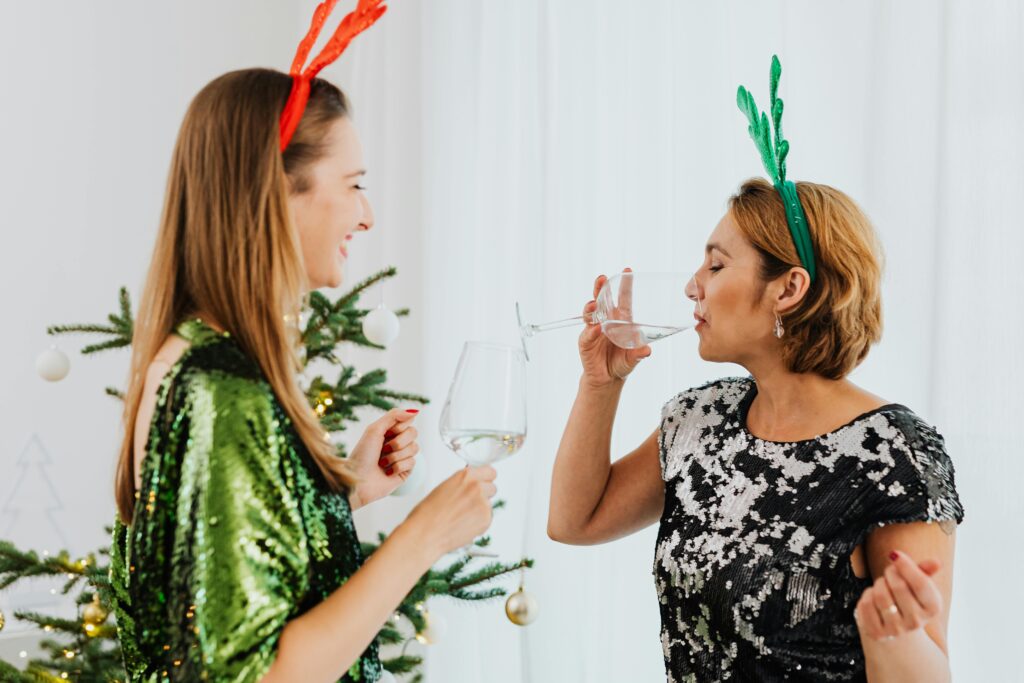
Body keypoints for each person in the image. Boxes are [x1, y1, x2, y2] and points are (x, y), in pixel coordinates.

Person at [109, 3, 496, 681]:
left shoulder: (187, 358)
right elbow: (258, 672)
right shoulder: (222, 386)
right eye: (353, 186)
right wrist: (422, 535)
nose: (367, 214)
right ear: (276, 191)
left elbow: (215, 566)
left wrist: (336, 495)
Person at [547, 57, 964, 682]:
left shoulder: (892, 454)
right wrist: (601, 383)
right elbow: (573, 522)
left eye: (716, 266)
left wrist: (897, 636)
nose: (693, 286)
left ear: (788, 289)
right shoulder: (699, 420)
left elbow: (927, 669)